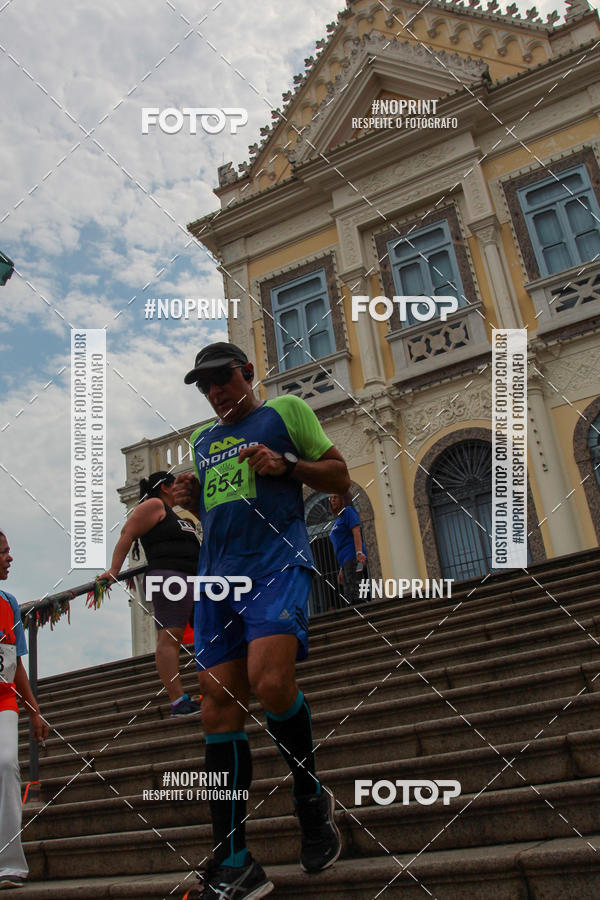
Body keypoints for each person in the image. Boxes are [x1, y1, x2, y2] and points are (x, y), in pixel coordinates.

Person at [174, 341, 351, 900]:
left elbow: (340, 478)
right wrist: (190, 507)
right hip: (218, 577)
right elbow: (219, 510)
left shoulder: (287, 412)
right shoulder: (204, 444)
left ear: (247, 373)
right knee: (215, 702)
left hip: (277, 563)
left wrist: (287, 464)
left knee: (272, 682)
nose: (214, 392)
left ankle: (309, 797)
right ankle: (234, 860)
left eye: (222, 379)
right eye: (204, 386)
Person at [97, 472, 202, 717]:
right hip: (169, 577)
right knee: (170, 636)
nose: (180, 490)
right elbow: (127, 533)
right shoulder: (154, 505)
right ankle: (178, 702)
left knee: (207, 629)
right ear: (165, 487)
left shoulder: (176, 513)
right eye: (175, 484)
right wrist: (114, 570)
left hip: (191, 578)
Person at [0, 530, 48, 890]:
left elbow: (16, 664)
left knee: (5, 765)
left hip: (4, 701)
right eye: (4, 553)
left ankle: (10, 862)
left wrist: (34, 711)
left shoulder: (9, 602)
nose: (10, 559)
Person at [328, 493, 369, 605]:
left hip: (353, 556)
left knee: (355, 593)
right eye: (331, 498)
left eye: (335, 497)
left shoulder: (348, 511)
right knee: (349, 594)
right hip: (345, 561)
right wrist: (341, 568)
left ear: (342, 498)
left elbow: (356, 532)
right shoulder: (338, 519)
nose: (332, 500)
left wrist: (359, 553)